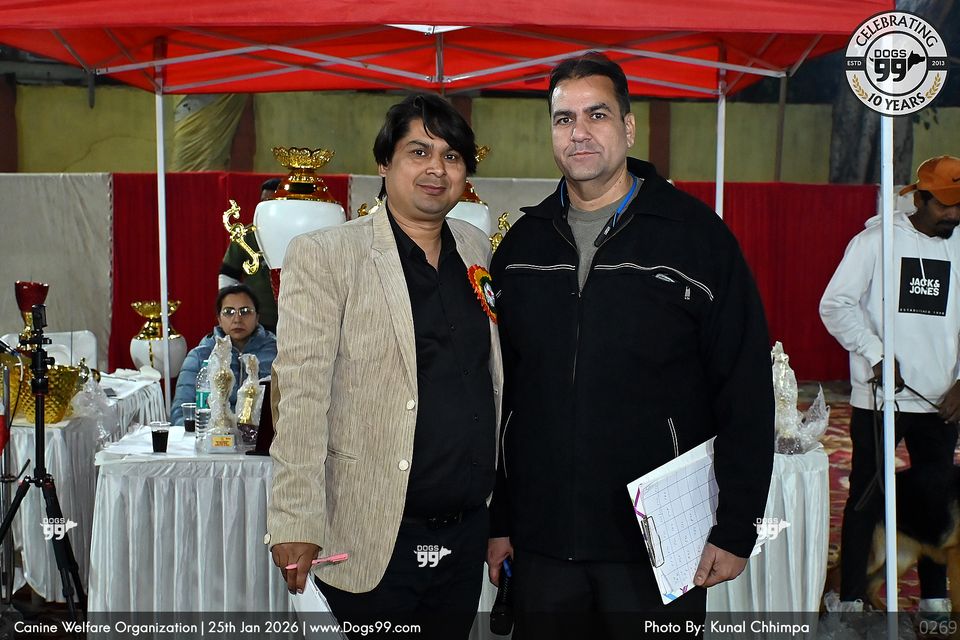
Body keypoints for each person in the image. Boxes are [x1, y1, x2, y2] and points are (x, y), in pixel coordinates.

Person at [485, 53, 774, 636]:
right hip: (543, 544)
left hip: (658, 541)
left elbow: (744, 387)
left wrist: (736, 525)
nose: (579, 132)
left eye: (596, 115)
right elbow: (505, 398)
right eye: (563, 119)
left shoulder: (696, 238)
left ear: (629, 126)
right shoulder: (520, 248)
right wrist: (502, 520)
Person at [266, 93, 502, 639]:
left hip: (463, 535)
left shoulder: (476, 248)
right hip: (373, 532)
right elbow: (300, 396)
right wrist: (295, 518)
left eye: (451, 156)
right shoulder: (328, 255)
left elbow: (490, 382)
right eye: (419, 152)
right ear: (384, 164)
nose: (436, 169)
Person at [820, 155, 960, 614]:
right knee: (866, 496)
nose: (954, 214)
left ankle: (935, 602)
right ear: (920, 199)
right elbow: (835, 304)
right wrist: (877, 353)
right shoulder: (875, 242)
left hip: (941, 402)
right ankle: (851, 598)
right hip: (881, 400)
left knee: (938, 504)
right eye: (945, 205)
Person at [170, 284, 277, 426]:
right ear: (219, 319)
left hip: (265, 437)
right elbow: (180, 414)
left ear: (257, 317)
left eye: (245, 311)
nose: (237, 319)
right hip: (212, 436)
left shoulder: (277, 353)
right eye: (229, 312)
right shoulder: (200, 356)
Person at [219, 177, 280, 333]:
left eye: (272, 202)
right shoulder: (246, 236)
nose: (266, 207)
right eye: (263, 202)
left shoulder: (298, 236)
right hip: (256, 322)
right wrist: (230, 309)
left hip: (294, 320)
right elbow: (228, 275)